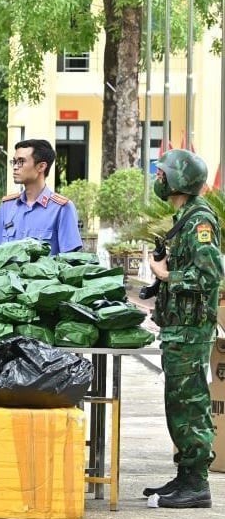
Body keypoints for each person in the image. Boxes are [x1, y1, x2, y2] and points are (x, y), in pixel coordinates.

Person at [143, 149, 220, 509]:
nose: (159, 180)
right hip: (179, 330)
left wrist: (164, 274)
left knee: (190, 406)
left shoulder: (199, 221)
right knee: (178, 404)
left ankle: (197, 484)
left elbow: (209, 276)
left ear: (179, 180)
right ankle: (185, 476)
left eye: (163, 175)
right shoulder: (185, 218)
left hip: (191, 331)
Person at [0, 138, 81, 255]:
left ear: (41, 167)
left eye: (21, 161)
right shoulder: (7, 207)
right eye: (14, 162)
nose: (15, 167)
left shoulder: (62, 209)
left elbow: (70, 261)